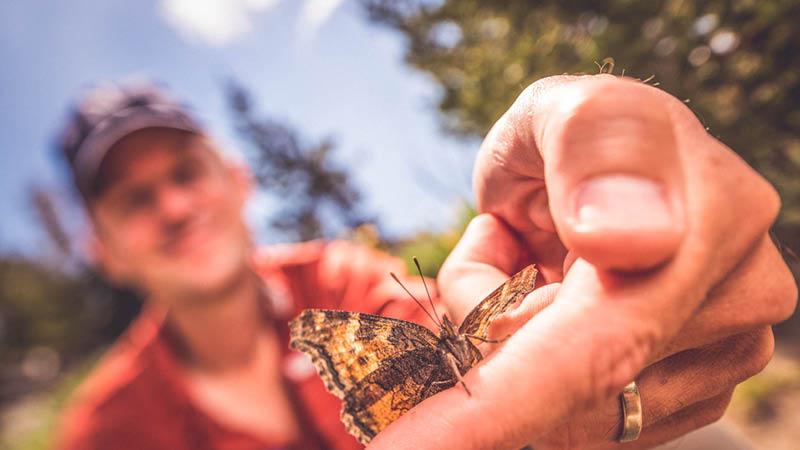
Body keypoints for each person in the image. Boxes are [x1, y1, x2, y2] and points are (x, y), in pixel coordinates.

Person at [54, 76, 796, 450]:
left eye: (186, 172)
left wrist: (566, 325)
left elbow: (431, 319)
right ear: (101, 248)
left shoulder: (335, 279)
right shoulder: (105, 429)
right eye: (134, 199)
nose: (175, 207)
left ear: (236, 181)